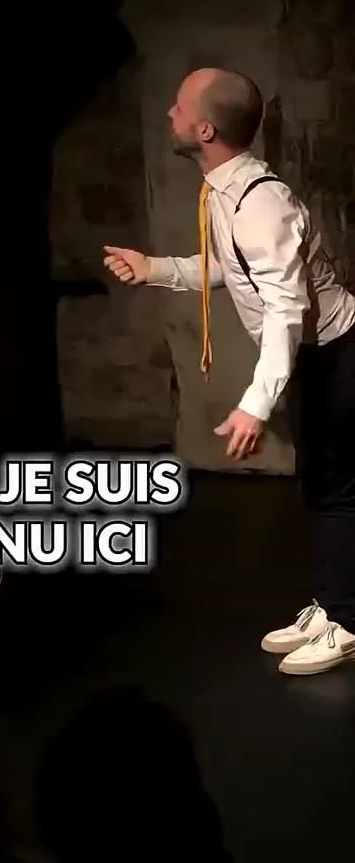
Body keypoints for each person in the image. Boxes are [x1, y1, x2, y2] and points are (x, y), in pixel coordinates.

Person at [103, 67, 355, 676]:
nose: (170, 113)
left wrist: (254, 403)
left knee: (340, 491)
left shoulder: (259, 204)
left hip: (338, 354)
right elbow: (229, 267)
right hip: (314, 357)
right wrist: (156, 269)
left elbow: (286, 311)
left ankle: (348, 621)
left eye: (179, 106)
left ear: (205, 130)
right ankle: (333, 603)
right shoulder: (225, 191)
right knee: (320, 487)